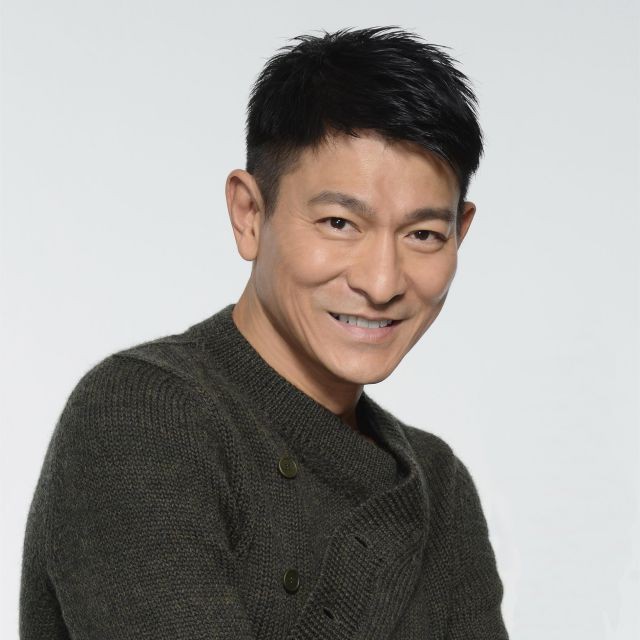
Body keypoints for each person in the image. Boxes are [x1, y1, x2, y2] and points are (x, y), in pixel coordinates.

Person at [19, 26, 509, 639]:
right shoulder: (143, 413)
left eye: (423, 234)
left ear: (461, 233)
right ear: (249, 214)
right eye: (339, 223)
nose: (382, 281)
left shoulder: (440, 487)